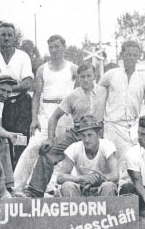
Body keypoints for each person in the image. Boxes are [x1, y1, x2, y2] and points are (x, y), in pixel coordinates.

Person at [23, 63, 105, 197]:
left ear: (94, 76)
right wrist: (50, 138)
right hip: (77, 133)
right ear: (78, 78)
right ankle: (35, 191)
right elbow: (54, 117)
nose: (85, 80)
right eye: (82, 76)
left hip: (97, 133)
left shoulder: (103, 91)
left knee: (107, 154)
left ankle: (105, 191)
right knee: (47, 151)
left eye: (88, 76)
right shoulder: (73, 95)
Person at [13, 34, 78, 190]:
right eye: (51, 47)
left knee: (70, 151)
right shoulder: (42, 69)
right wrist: (34, 119)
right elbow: (36, 96)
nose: (54, 50)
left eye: (57, 46)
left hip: (66, 114)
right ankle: (16, 186)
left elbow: (78, 96)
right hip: (46, 113)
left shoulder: (73, 68)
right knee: (34, 146)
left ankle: (71, 188)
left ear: (64, 47)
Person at [0, 22, 34, 173]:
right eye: (3, 35)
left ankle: (19, 177)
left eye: (10, 35)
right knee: (0, 139)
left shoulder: (23, 56)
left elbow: (28, 82)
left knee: (20, 140)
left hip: (19, 103)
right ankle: (2, 176)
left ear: (14, 37)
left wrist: (6, 89)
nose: (6, 38)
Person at [100, 40, 145, 163]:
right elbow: (99, 101)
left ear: (138, 57)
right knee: (112, 163)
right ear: (122, 55)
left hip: (134, 127)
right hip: (112, 127)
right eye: (128, 54)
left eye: (134, 55)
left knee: (135, 163)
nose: (131, 58)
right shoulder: (110, 75)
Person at [57, 115, 119, 197]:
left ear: (98, 134)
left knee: (108, 186)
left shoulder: (107, 146)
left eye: (90, 135)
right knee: (67, 186)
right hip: (83, 189)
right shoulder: (74, 148)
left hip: (101, 188)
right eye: (83, 135)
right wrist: (83, 178)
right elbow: (60, 177)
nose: (86, 139)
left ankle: (108, 210)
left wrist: (95, 179)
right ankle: (77, 210)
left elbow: (115, 175)